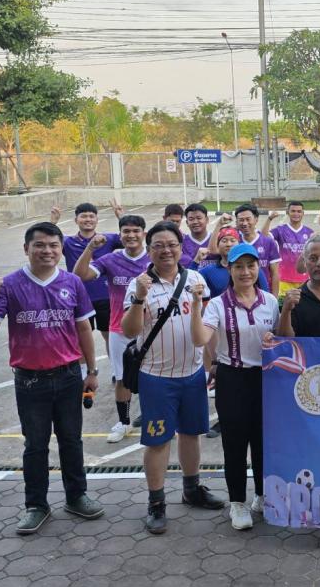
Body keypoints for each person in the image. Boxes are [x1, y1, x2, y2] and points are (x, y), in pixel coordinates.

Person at [0, 221, 104, 535]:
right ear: (26, 249)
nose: (47, 251)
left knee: (71, 440)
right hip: (30, 380)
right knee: (35, 445)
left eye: (53, 245)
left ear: (61, 250)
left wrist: (91, 371)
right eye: (40, 245)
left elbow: (83, 328)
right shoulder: (10, 285)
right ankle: (36, 505)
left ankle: (76, 496)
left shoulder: (72, 282)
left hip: (69, 375)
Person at [121, 221, 225, 535]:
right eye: (158, 246)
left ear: (181, 248)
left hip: (192, 374)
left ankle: (192, 489)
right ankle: (156, 502)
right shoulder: (139, 284)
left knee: (192, 434)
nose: (166, 251)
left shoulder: (195, 279)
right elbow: (129, 330)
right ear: (149, 250)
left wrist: (212, 363)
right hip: (157, 378)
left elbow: (206, 326)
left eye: (172, 245)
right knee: (158, 441)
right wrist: (139, 299)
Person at [193, 243, 279, 530]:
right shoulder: (218, 304)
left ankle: (262, 496)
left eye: (250, 265)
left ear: (258, 267)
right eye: (239, 266)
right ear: (229, 269)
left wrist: (274, 339)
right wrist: (196, 306)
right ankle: (238, 503)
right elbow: (200, 338)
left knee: (264, 441)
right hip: (233, 378)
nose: (245, 272)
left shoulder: (270, 301)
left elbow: (282, 337)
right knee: (235, 443)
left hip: (265, 379)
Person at [72, 214, 150, 443]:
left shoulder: (154, 258)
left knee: (154, 377)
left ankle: (155, 417)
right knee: (122, 377)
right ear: (120, 235)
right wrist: (90, 248)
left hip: (151, 329)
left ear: (144, 234)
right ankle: (124, 422)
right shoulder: (110, 260)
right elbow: (79, 275)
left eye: (136, 231)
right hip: (119, 329)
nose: (131, 235)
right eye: (126, 231)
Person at [49, 202, 123, 353]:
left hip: (105, 297)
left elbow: (130, 237)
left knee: (110, 336)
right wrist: (53, 222)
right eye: (83, 216)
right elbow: (48, 240)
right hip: (79, 298)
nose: (88, 219)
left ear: (97, 220)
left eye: (91, 216)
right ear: (76, 220)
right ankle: (85, 368)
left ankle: (115, 367)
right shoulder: (68, 242)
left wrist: (121, 217)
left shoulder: (107, 239)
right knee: (81, 340)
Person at [199, 227, 270, 297]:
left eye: (232, 241)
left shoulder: (253, 269)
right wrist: (196, 261)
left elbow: (265, 294)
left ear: (239, 244)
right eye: (224, 241)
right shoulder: (208, 271)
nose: (228, 244)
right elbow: (193, 284)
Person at [262, 202, 313, 295]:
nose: (296, 214)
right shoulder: (280, 230)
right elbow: (263, 236)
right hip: (284, 280)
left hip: (304, 279)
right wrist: (269, 219)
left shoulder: (309, 232)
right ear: (287, 212)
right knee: (284, 304)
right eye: (293, 211)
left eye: (299, 211)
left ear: (303, 213)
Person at [233, 203, 281, 291]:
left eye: (248, 219)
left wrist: (274, 297)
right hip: (239, 293)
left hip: (264, 292)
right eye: (241, 220)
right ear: (237, 222)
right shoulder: (233, 242)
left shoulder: (268, 242)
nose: (245, 223)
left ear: (256, 219)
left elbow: (275, 273)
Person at [179, 203, 213, 268]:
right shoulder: (181, 243)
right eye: (191, 219)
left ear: (207, 220)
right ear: (187, 222)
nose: (195, 222)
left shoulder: (216, 239)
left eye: (199, 218)